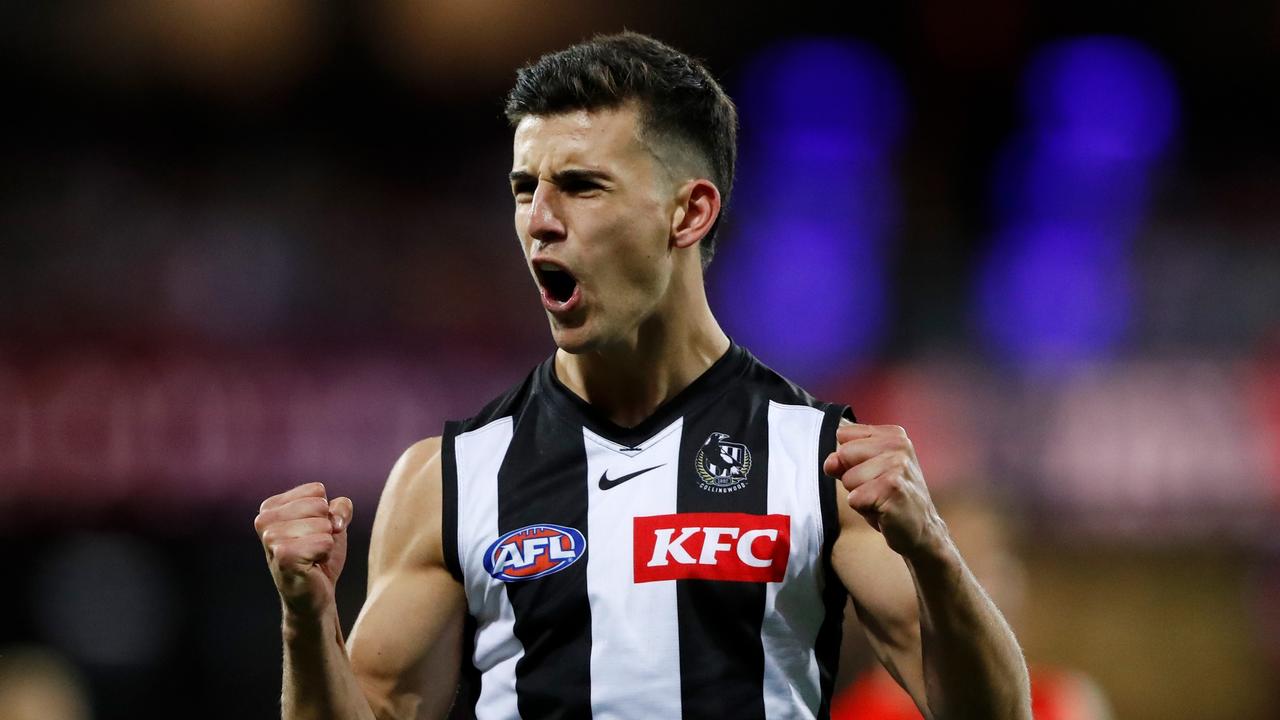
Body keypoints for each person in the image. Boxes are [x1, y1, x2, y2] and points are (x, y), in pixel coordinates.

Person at [254, 31, 1031, 719]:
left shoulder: (821, 462)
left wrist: (933, 548)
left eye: (582, 186)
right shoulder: (448, 479)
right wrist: (305, 619)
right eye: (526, 188)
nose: (540, 219)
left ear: (688, 213)